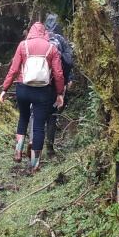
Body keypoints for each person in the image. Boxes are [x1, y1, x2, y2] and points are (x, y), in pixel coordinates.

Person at [0, 21, 65, 172]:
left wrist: (5, 88)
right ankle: (34, 164)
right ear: (44, 33)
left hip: (23, 89)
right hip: (42, 91)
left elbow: (14, 69)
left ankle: (17, 152)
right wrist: (60, 93)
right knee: (39, 126)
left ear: (31, 32)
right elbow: (58, 74)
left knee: (23, 117)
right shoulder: (52, 48)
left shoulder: (23, 45)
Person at [43, 12, 74, 156]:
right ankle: (49, 148)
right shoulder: (60, 40)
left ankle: (32, 144)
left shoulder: (38, 39)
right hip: (55, 82)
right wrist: (68, 79)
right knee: (52, 114)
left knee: (35, 114)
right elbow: (68, 62)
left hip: (34, 82)